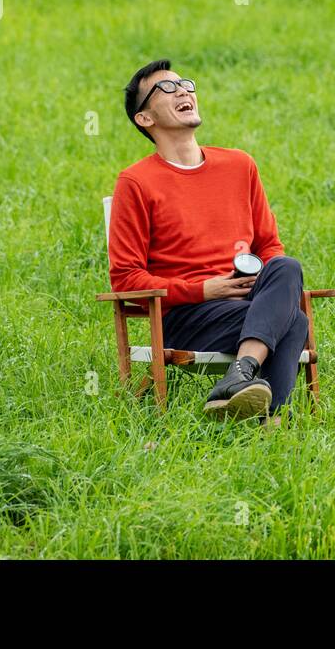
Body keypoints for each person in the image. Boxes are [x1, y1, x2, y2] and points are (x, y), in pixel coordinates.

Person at [107, 59, 310, 422]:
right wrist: (204, 290)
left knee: (286, 266)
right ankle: (270, 421)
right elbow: (125, 279)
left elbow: (270, 246)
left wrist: (252, 284)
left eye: (185, 83)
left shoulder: (239, 165)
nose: (183, 90)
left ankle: (240, 377)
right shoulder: (136, 182)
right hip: (187, 317)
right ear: (145, 118)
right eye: (166, 88)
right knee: (294, 321)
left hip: (248, 303)